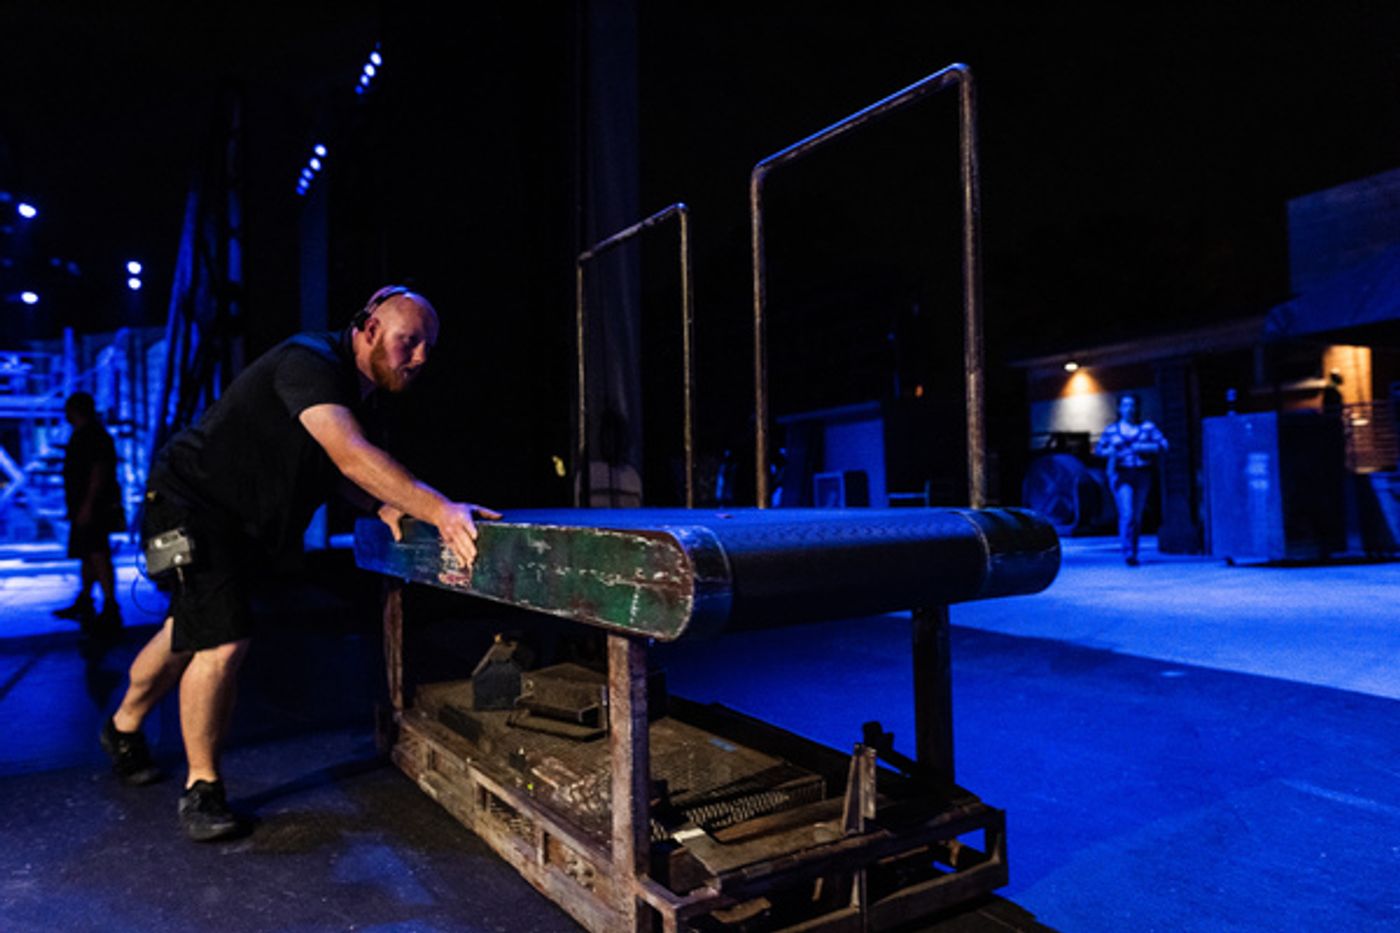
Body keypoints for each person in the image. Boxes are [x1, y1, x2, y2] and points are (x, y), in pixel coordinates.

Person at [100, 285, 499, 842]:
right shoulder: (309, 363)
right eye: (408, 341)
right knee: (223, 641)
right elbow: (350, 455)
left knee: (188, 632)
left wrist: (382, 504)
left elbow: (327, 465)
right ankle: (202, 788)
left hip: (239, 521)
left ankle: (122, 728)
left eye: (428, 347)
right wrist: (438, 509)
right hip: (192, 503)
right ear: (368, 330)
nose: (419, 357)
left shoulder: (353, 390)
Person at [53, 391, 125, 632]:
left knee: (97, 552)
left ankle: (110, 604)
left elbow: (98, 471)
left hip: (94, 507)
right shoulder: (86, 435)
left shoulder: (93, 436)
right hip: (87, 505)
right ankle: (86, 599)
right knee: (89, 552)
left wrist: (88, 505)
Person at [1094, 393, 1168, 566]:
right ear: (1119, 409)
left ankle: (1133, 550)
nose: (1129, 409)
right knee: (1126, 513)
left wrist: (1144, 447)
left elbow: (1164, 445)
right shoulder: (1112, 430)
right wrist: (1110, 452)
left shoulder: (1147, 427)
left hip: (1142, 474)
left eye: (1132, 405)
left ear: (1137, 408)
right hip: (1121, 474)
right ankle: (1127, 552)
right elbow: (1098, 449)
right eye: (1125, 405)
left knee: (1137, 515)